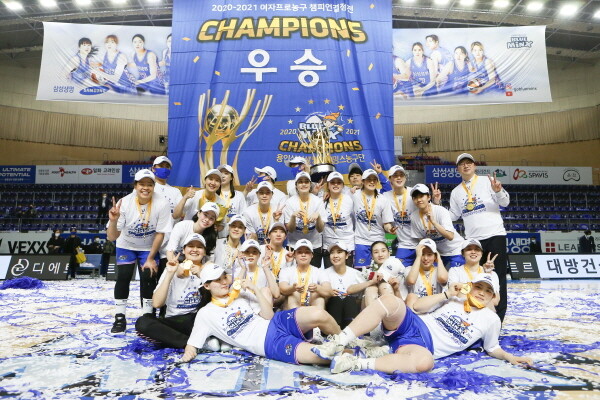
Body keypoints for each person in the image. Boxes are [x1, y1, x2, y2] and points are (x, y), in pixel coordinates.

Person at [311, 273, 533, 374]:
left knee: (425, 363)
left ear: (493, 296)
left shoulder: (491, 320)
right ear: (471, 287)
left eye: (488, 291)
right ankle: (338, 341)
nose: (482, 293)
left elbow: (492, 347)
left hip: (423, 346)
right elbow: (416, 307)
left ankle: (356, 363)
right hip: (414, 324)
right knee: (390, 300)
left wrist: (510, 357)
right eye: (479, 287)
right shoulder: (455, 298)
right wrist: (447, 294)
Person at [181, 263, 342, 365]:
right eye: (218, 280)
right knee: (322, 354)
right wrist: (188, 353)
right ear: (207, 286)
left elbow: (269, 315)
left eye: (224, 277)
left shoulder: (239, 293)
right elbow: (192, 344)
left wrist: (255, 289)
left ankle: (347, 341)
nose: (224, 282)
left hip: (276, 321)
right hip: (267, 343)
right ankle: (350, 356)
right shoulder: (205, 314)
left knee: (318, 314)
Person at [440, 153, 510, 322]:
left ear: (474, 166)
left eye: (469, 163)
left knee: (497, 279)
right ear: (458, 169)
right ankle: (475, 317)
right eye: (462, 164)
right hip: (473, 242)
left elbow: (505, 202)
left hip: (495, 235)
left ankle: (496, 321)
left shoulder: (487, 182)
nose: (466, 166)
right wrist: (437, 205)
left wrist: (498, 191)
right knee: (474, 279)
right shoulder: (456, 192)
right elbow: (453, 216)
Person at [107, 169, 173, 333]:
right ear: (135, 186)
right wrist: (113, 221)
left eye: (149, 184)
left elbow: (160, 233)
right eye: (142, 184)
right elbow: (111, 237)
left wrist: (150, 258)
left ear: (154, 186)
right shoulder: (124, 202)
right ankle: (120, 317)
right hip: (126, 244)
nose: (145, 188)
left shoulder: (162, 203)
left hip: (148, 247)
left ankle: (148, 316)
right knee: (123, 276)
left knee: (148, 277)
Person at [135, 233, 206, 348]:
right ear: (183, 250)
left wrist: (203, 275)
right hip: (174, 321)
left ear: (204, 252)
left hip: (197, 319)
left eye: (199, 247)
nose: (195, 250)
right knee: (143, 322)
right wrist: (169, 274)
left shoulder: (209, 270)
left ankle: (174, 340)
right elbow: (157, 304)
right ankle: (191, 343)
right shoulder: (172, 268)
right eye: (191, 246)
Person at [410, 184, 465, 268]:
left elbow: (450, 236)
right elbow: (421, 240)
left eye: (421, 196)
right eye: (415, 198)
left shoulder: (441, 211)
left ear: (429, 197)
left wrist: (434, 222)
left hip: (456, 250)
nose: (419, 200)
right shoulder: (414, 216)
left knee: (454, 274)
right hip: (438, 253)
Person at [150, 156, 184, 292]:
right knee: (149, 278)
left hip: (167, 243)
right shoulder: (148, 187)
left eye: (167, 166)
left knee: (165, 278)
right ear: (153, 168)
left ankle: (163, 305)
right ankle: (148, 305)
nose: (164, 169)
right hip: (150, 240)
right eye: (161, 166)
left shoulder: (175, 192)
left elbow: (178, 215)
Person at [352, 169, 395, 269]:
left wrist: (390, 229)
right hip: (361, 241)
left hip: (378, 240)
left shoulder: (383, 200)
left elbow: (386, 223)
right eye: (369, 179)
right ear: (363, 181)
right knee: (361, 272)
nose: (372, 182)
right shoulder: (354, 196)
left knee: (379, 271)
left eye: (374, 180)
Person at [284, 171, 326, 267]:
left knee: (313, 274)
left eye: (306, 182)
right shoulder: (290, 202)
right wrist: (293, 217)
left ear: (310, 184)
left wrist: (318, 217)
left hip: (314, 245)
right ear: (296, 185)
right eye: (300, 182)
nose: (303, 184)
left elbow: (320, 229)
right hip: (294, 245)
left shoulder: (318, 201)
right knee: (295, 274)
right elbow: (290, 229)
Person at [323, 243, 368, 329]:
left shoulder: (356, 274)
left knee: (349, 300)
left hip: (352, 313)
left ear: (347, 255)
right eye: (332, 253)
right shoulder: (324, 274)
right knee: (336, 300)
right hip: (331, 314)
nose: (335, 256)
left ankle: (351, 332)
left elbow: (361, 300)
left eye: (339, 252)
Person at [278, 239, 332, 310]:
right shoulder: (286, 271)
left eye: (307, 252)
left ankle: (315, 316)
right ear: (294, 255)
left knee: (318, 296)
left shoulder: (320, 272)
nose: (303, 255)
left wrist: (317, 288)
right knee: (293, 294)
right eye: (300, 252)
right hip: (292, 307)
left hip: (312, 306)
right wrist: (293, 288)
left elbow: (328, 291)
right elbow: (282, 289)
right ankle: (296, 315)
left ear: (312, 255)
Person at [448, 239, 500, 309]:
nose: (473, 252)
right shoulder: (455, 271)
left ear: (481, 254)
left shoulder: (491, 274)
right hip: (460, 309)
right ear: (463, 253)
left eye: (477, 249)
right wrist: (482, 297)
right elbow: (454, 293)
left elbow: (495, 301)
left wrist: (487, 274)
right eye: (469, 249)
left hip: (483, 311)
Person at [383, 165, 418, 267]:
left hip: (420, 241)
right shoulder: (385, 197)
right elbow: (386, 223)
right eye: (395, 175)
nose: (399, 178)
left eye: (401, 175)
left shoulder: (414, 192)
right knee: (399, 271)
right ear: (390, 179)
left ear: (405, 178)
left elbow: (428, 208)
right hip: (404, 244)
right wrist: (389, 229)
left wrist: (436, 202)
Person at [322, 171, 355, 269]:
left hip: (347, 244)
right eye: (332, 182)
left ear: (343, 185)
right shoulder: (322, 200)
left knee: (347, 275)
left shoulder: (350, 199)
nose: (336, 184)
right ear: (328, 185)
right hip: (329, 245)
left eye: (339, 182)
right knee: (329, 275)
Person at [232, 239, 280, 304]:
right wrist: (243, 269)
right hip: (243, 306)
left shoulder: (265, 271)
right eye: (247, 252)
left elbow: (276, 294)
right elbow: (232, 293)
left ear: (259, 255)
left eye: (254, 252)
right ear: (242, 254)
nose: (251, 254)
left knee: (265, 290)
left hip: (261, 306)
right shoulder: (238, 271)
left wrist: (266, 268)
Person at [405, 238, 448, 309]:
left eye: (429, 254)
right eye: (422, 254)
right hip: (417, 308)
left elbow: (443, 278)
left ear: (435, 256)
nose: (425, 258)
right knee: (411, 297)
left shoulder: (439, 270)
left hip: (436, 308)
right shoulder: (409, 269)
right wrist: (418, 257)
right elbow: (411, 281)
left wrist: (439, 259)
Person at [216, 164, 247, 238]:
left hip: (235, 235)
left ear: (232, 177)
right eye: (220, 173)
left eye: (226, 173)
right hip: (216, 235)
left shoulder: (239, 195)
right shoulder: (214, 194)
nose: (222, 176)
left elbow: (243, 216)